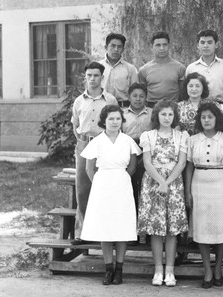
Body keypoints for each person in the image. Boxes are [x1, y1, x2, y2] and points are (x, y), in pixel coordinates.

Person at [80, 104, 141, 285]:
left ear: (122, 121)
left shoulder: (127, 140)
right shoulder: (97, 141)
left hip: (122, 185)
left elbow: (132, 166)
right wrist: (101, 183)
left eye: (117, 119)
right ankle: (108, 269)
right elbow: (89, 168)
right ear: (104, 121)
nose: (115, 122)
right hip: (102, 186)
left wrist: (121, 179)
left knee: (121, 228)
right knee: (105, 228)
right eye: (111, 119)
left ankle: (119, 269)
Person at [185, 102, 223, 289]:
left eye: (210, 117)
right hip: (199, 185)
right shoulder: (192, 140)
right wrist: (188, 192)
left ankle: (218, 268)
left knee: (220, 228)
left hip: (221, 184)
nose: (207, 120)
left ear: (217, 119)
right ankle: (207, 270)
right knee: (202, 228)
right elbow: (189, 167)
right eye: (203, 117)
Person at [138, 100, 189, 287]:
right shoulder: (148, 136)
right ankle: (158, 269)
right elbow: (147, 162)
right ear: (157, 116)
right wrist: (160, 182)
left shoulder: (182, 136)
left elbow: (181, 163)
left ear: (175, 116)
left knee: (171, 230)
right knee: (156, 228)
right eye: (163, 114)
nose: (167, 118)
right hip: (153, 183)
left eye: (170, 114)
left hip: (173, 184)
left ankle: (170, 270)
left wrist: (167, 183)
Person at [71, 62, 118, 245]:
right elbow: (75, 124)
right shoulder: (79, 101)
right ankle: (82, 233)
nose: (92, 79)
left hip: (103, 144)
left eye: (96, 75)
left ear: (102, 78)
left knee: (105, 187)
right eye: (89, 75)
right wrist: (83, 140)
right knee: (83, 188)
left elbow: (115, 123)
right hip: (84, 144)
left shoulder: (110, 100)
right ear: (85, 77)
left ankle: (107, 233)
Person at [122, 83, 152, 218]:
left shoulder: (152, 113)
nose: (138, 99)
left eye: (141, 96)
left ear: (146, 98)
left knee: (147, 188)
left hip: (148, 152)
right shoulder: (122, 114)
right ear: (129, 97)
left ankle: (148, 230)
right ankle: (132, 229)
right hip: (129, 153)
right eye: (134, 96)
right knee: (131, 188)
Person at [138, 31, 186, 107]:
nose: (162, 48)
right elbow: (143, 93)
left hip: (173, 106)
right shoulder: (143, 70)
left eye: (165, 45)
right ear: (151, 47)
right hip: (151, 107)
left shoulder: (180, 68)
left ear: (169, 46)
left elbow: (182, 93)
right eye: (158, 45)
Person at [186, 29, 223, 103]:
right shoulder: (191, 68)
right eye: (202, 42)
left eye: (209, 42)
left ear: (216, 45)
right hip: (199, 107)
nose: (206, 46)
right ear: (198, 45)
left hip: (222, 106)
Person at [99, 33, 139, 107]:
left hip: (124, 109)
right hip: (101, 108)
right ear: (106, 47)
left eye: (119, 47)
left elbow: (135, 92)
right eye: (113, 46)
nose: (116, 49)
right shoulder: (98, 67)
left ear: (123, 49)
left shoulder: (130, 69)